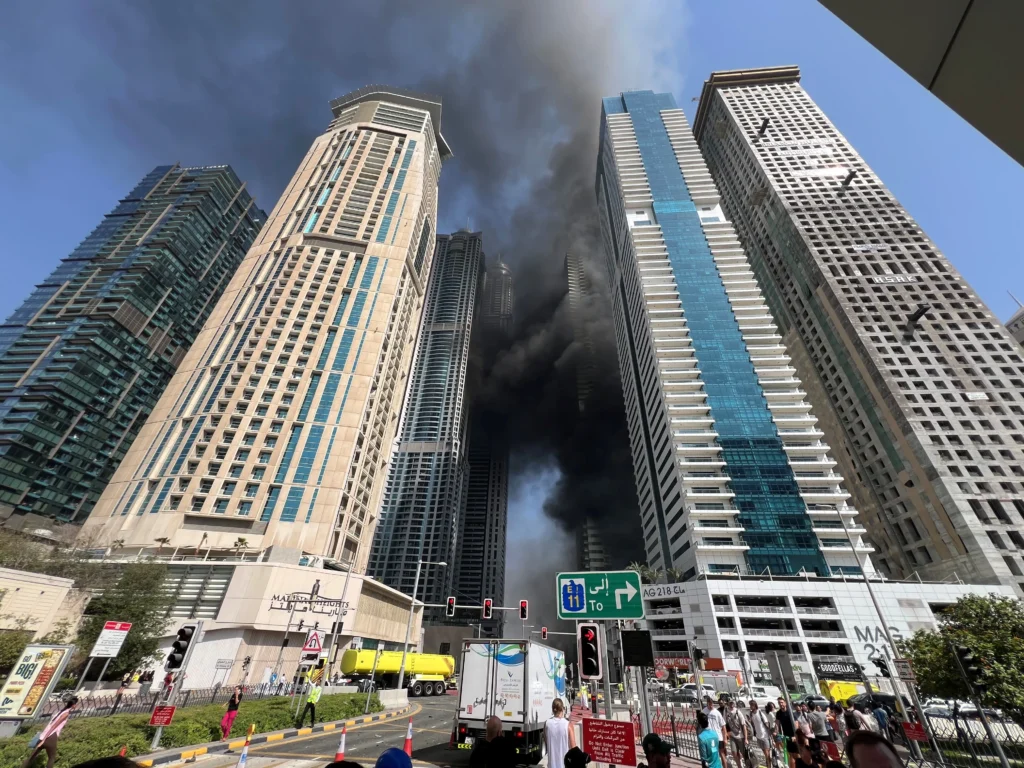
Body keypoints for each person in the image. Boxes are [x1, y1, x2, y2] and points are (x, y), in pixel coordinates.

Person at [21, 696, 78, 768]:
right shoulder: (65, 714)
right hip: (50, 737)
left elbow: (50, 724)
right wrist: (44, 739)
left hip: (43, 735)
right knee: (52, 758)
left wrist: (42, 738)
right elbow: (53, 726)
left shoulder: (61, 711)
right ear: (73, 705)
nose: (76, 706)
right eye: (76, 704)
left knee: (31, 757)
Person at [545, 698, 576, 768]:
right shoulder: (568, 725)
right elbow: (574, 750)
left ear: (553, 709)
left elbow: (547, 743)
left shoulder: (547, 724)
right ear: (562, 709)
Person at [724, 698, 752, 768]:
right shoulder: (726, 711)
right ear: (728, 703)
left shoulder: (738, 712)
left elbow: (744, 725)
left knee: (744, 753)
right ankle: (739, 766)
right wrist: (726, 734)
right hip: (732, 736)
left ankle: (748, 765)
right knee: (734, 752)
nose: (731, 704)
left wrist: (746, 739)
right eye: (730, 703)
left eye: (732, 703)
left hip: (740, 736)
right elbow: (724, 723)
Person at [703, 697, 728, 768]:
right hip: (710, 738)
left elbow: (723, 726)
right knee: (714, 754)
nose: (711, 706)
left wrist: (725, 738)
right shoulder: (704, 712)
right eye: (709, 704)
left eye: (712, 704)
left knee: (722, 753)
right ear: (707, 703)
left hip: (718, 737)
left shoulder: (717, 713)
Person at [749, 701, 773, 768]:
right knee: (765, 754)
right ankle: (768, 765)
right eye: (750, 705)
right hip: (758, 736)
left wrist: (770, 734)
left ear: (755, 705)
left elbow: (767, 723)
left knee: (767, 754)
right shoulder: (751, 714)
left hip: (765, 736)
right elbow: (752, 724)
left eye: (752, 705)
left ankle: (769, 766)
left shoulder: (760, 713)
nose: (751, 707)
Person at [774, 698, 796, 768]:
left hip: (794, 735)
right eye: (779, 703)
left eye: (782, 702)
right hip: (787, 736)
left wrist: (796, 735)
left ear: (785, 703)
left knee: (797, 754)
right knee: (791, 754)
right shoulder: (778, 713)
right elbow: (777, 723)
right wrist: (776, 731)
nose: (781, 704)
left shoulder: (790, 712)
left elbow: (796, 723)